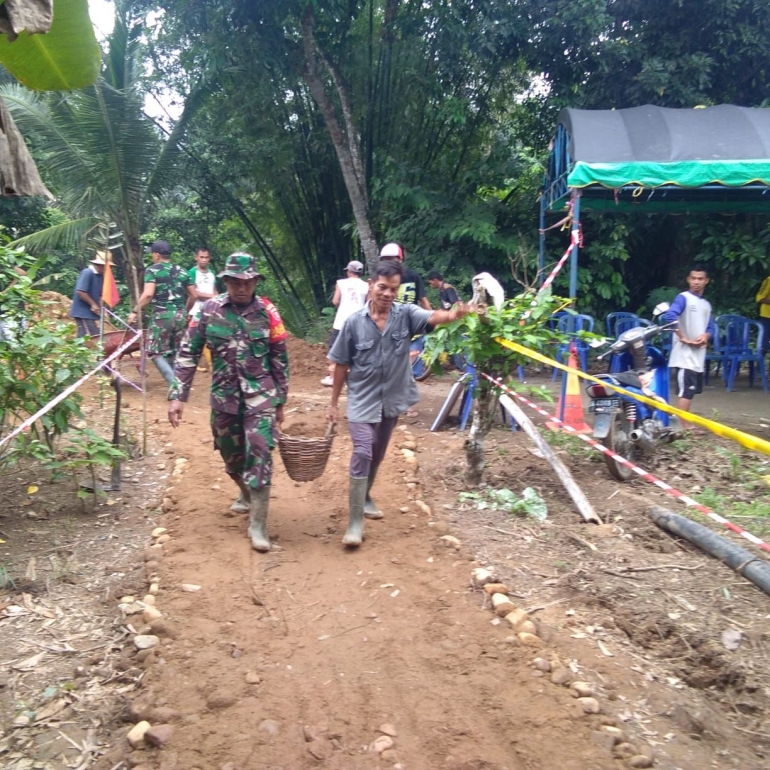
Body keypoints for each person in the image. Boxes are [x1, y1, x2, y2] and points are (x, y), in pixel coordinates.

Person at [328, 260, 475, 547]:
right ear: (370, 285)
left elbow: (435, 316)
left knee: (378, 452)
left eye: (393, 289)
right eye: (382, 287)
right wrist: (333, 404)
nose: (387, 294)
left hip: (393, 397)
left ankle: (366, 494)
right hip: (361, 398)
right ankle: (355, 523)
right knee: (362, 451)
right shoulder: (353, 323)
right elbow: (341, 365)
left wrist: (459, 312)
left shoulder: (405, 314)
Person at [168, 253, 289, 553]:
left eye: (247, 282)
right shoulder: (208, 311)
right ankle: (246, 492)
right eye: (235, 282)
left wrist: (280, 400)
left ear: (256, 282)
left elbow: (280, 356)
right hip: (224, 398)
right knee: (230, 456)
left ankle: (258, 525)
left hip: (260, 396)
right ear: (225, 282)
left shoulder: (268, 311)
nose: (241, 288)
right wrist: (177, 396)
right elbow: (187, 352)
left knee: (260, 451)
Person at [128, 240, 196, 385]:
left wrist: (135, 311)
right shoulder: (182, 270)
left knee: (154, 352)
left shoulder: (152, 270)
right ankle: (179, 383)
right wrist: (185, 311)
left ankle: (175, 385)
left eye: (152, 254)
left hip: (162, 316)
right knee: (175, 352)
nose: (152, 257)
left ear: (157, 255)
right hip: (180, 316)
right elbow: (194, 295)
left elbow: (148, 295)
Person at [662, 264, 715, 425]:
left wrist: (706, 336)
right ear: (688, 279)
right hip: (685, 355)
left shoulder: (706, 305)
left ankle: (683, 424)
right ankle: (681, 426)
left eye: (700, 279)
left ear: (707, 281)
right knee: (686, 390)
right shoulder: (683, 297)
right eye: (693, 278)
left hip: (698, 354)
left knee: (689, 391)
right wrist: (682, 337)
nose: (696, 282)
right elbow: (670, 316)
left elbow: (710, 327)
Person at [321, 260, 368, 387]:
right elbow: (368, 303)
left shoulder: (340, 283)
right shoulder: (366, 285)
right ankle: (355, 377)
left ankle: (332, 376)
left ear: (349, 271)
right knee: (356, 350)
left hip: (341, 321)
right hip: (359, 323)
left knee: (334, 348)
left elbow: (335, 301)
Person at [188, 246, 220, 371]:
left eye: (206, 257)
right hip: (196, 309)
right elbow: (194, 293)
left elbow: (214, 290)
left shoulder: (212, 273)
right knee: (195, 337)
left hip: (211, 310)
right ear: (196, 257)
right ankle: (196, 364)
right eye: (201, 257)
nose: (204, 260)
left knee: (210, 336)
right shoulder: (192, 272)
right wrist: (213, 297)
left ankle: (209, 364)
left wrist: (217, 298)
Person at [69, 251, 107, 337]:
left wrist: (102, 310)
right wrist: (93, 304)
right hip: (83, 312)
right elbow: (80, 291)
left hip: (89, 314)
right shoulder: (87, 273)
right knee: (90, 334)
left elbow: (100, 295)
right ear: (100, 265)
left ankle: (78, 349)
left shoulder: (101, 276)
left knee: (88, 334)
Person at [756, 273, 770, 355]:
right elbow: (759, 298)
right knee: (763, 345)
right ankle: (759, 366)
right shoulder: (769, 280)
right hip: (767, 316)